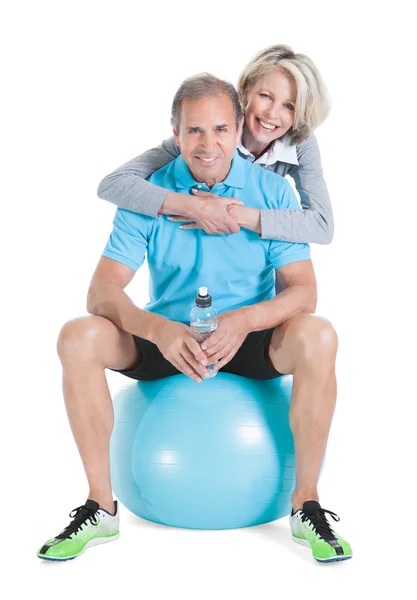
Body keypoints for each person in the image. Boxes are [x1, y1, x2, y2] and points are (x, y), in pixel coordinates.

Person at [37, 73, 352, 564]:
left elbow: (305, 293)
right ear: (175, 133)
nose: (208, 145)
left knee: (319, 336)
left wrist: (246, 320)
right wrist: (157, 329)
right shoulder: (149, 195)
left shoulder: (272, 193)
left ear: (238, 128)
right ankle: (101, 507)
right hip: (169, 339)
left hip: (248, 338)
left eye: (221, 130)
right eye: (195, 131)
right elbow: (101, 292)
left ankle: (305, 503)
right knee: (77, 336)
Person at [97, 44, 333, 245]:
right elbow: (113, 184)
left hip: (263, 260)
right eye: (266, 96)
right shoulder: (206, 138)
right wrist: (195, 207)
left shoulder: (301, 143)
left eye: (289, 106)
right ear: (246, 92)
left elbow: (322, 226)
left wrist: (235, 213)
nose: (272, 113)